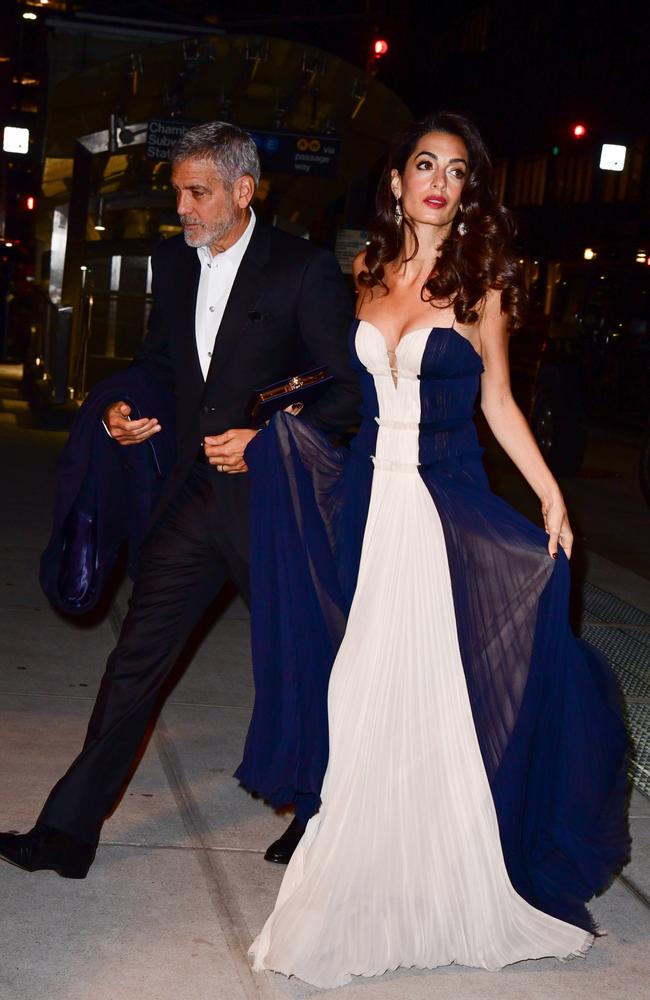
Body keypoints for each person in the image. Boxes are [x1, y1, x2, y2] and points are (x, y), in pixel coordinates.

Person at [245, 112, 629, 988]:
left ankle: (443, 879)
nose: (438, 182)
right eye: (425, 164)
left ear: (468, 192)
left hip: (443, 514)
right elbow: (352, 388)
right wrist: (278, 429)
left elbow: (497, 401)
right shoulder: (368, 269)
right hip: (370, 510)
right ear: (396, 181)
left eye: (456, 172)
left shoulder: (481, 279)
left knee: (433, 704)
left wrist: (549, 489)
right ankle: (366, 873)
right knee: (360, 696)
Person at [0, 122, 360, 878]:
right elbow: (159, 364)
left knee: (309, 663)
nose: (183, 208)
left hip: (275, 507)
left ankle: (325, 815)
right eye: (178, 193)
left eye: (197, 193)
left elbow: (345, 394)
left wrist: (266, 439)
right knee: (134, 660)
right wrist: (123, 410)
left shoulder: (303, 270)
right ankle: (66, 833)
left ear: (242, 189)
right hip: (193, 500)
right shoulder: (173, 262)